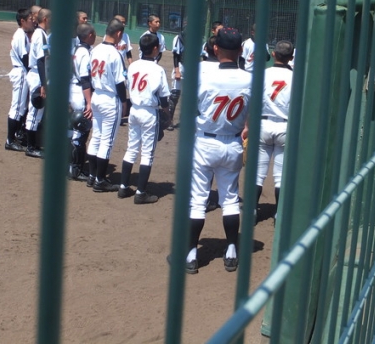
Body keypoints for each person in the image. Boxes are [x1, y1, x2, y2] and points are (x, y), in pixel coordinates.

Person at [180, 27, 252, 274]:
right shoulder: (250, 78)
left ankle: (191, 254)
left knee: (197, 200)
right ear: (241, 50)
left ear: (215, 48)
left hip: (205, 141)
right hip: (233, 143)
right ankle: (231, 251)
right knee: (230, 199)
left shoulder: (202, 72)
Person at [117, 33, 171, 204]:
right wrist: (167, 113)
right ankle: (140, 193)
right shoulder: (158, 69)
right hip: (149, 113)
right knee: (147, 153)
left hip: (134, 110)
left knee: (131, 148)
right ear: (155, 49)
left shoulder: (133, 66)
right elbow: (164, 98)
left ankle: (123, 187)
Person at [86, 18, 128, 192]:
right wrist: (124, 102)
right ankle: (100, 180)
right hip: (110, 99)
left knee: (96, 137)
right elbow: (120, 83)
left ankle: (92, 176)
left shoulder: (95, 50)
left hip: (96, 96)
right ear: (118, 33)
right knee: (106, 141)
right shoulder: (115, 54)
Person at [254, 40, 294, 220]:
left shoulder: (263, 74)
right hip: (285, 126)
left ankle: (252, 211)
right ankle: (279, 213)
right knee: (280, 176)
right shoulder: (296, 77)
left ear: (274, 54)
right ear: (291, 58)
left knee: (257, 174)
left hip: (263, 125)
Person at [5, 8, 36, 152]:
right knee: (17, 108)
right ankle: (10, 140)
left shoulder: (22, 34)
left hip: (21, 71)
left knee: (21, 107)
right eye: (30, 19)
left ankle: (15, 137)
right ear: (22, 21)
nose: (33, 21)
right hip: (21, 72)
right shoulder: (20, 35)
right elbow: (25, 58)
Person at [68, 23, 96, 181]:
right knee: (81, 131)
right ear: (90, 35)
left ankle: (72, 166)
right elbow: (85, 79)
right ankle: (76, 170)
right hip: (80, 92)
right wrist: (89, 102)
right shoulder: (84, 52)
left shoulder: (77, 49)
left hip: (74, 89)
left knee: (76, 130)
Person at [24, 8, 51, 158]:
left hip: (37, 74)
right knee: (35, 112)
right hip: (37, 75)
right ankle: (30, 147)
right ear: (45, 19)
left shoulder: (41, 34)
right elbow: (41, 61)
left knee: (36, 112)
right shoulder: (40, 35)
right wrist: (43, 84)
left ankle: (33, 145)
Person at [167, 24, 185, 131]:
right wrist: (177, 71)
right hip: (181, 67)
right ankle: (169, 120)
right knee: (174, 95)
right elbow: (176, 55)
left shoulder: (196, 38)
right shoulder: (179, 37)